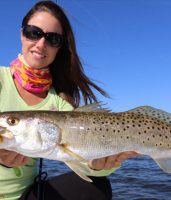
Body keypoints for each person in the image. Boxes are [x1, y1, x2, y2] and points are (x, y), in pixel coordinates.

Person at [0, 1, 140, 199]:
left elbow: (81, 162)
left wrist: (97, 166)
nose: (41, 44)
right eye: (33, 32)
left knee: (98, 187)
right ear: (22, 33)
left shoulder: (61, 103)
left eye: (53, 39)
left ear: (60, 47)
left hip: (25, 195)